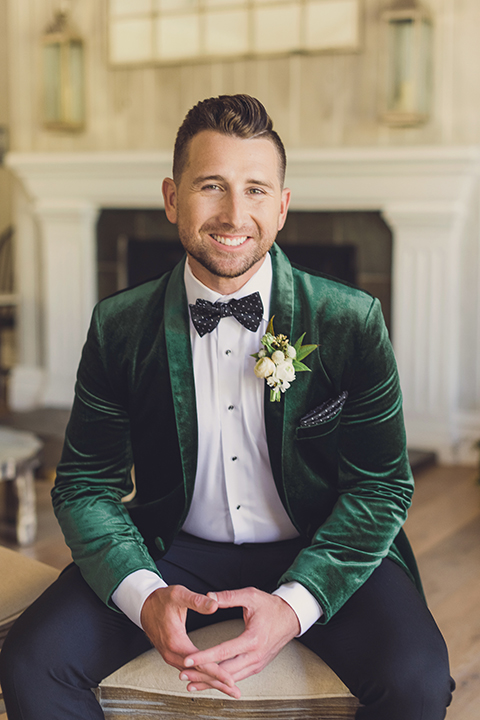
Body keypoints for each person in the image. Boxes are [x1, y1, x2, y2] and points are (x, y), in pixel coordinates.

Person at [0, 94, 454, 719]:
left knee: (419, 679)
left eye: (256, 190)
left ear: (283, 207)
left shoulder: (351, 321)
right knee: (31, 660)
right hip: (172, 544)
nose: (234, 214)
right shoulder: (119, 326)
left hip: (318, 540)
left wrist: (295, 605)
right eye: (211, 186)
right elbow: (84, 486)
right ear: (171, 198)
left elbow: (380, 487)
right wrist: (145, 595)